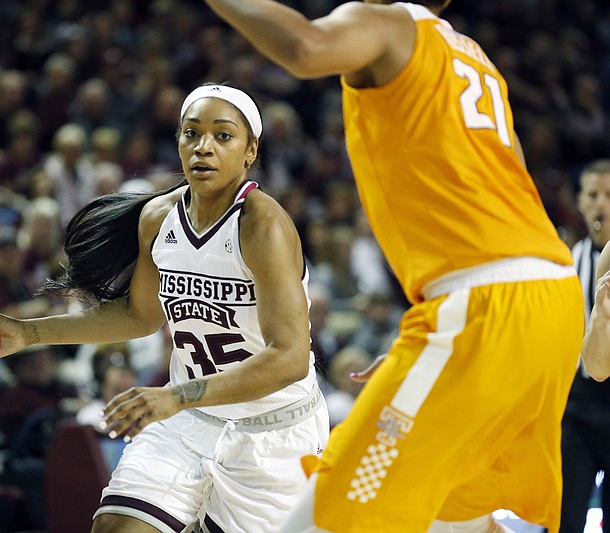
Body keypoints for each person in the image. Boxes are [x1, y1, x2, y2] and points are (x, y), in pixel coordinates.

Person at [200, 1, 583, 532]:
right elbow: (516, 175)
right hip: (549, 302)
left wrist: (463, 338)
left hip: (486, 306)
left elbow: (306, 47)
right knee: (450, 512)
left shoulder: (386, 24)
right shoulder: (475, 61)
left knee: (332, 515)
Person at [0, 83, 329, 533]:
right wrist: (25, 333)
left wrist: (173, 395)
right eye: (191, 134)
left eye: (223, 136)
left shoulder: (263, 225)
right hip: (187, 423)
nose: (203, 147)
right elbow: (139, 316)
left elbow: (288, 357)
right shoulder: (157, 219)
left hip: (273, 437)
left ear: (250, 151)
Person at [565, 161, 610, 531]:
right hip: (577, 406)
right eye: (594, 195)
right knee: (565, 516)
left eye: (609, 195)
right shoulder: (564, 264)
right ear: (580, 202)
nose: (602, 204)